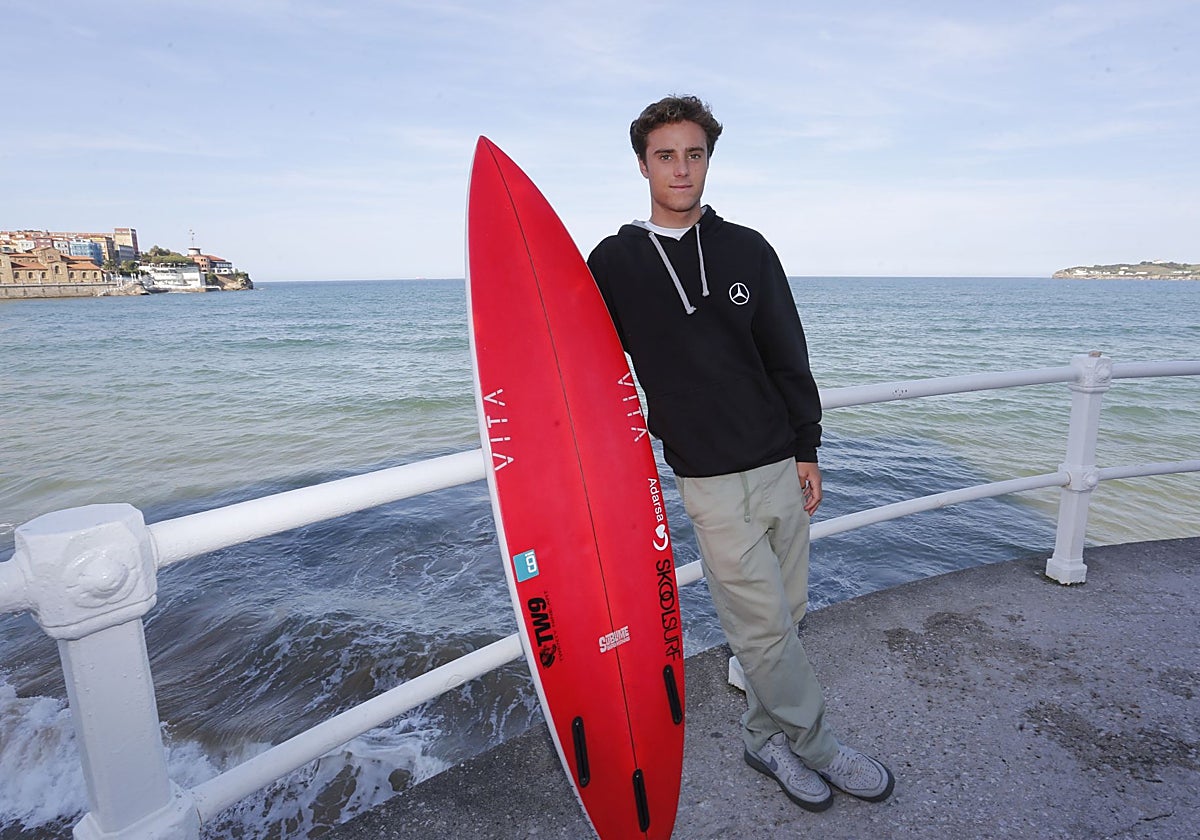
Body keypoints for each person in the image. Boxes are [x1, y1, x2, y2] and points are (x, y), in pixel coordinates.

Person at [586, 94, 894, 812]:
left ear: (708, 160)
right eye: (666, 155)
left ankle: (761, 739)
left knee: (785, 614)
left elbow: (786, 353)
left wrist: (806, 447)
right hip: (709, 476)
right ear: (642, 164)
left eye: (694, 154)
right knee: (759, 623)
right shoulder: (613, 261)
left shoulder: (747, 247)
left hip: (778, 462)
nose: (682, 168)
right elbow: (581, 362)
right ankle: (816, 743)